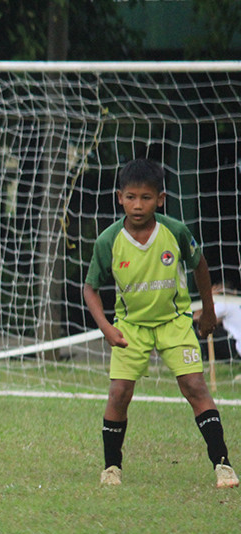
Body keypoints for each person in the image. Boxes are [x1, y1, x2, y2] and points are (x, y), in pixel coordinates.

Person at [84, 158, 238, 488]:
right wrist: (106, 328)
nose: (138, 205)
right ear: (119, 197)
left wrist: (208, 311)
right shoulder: (108, 240)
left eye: (146, 197)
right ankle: (112, 467)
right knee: (119, 393)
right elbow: (90, 288)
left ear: (160, 199)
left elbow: (200, 265)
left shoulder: (175, 232)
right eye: (130, 197)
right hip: (131, 326)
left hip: (174, 322)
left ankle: (223, 465)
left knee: (195, 387)